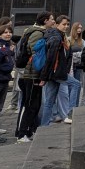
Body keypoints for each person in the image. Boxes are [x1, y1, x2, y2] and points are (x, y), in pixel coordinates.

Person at [15, 11, 53, 143]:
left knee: (35, 105)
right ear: (45, 21)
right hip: (31, 74)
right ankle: (21, 133)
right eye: (51, 19)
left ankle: (29, 131)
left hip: (34, 74)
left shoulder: (41, 32)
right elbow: (36, 52)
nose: (53, 22)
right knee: (30, 104)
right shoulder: (37, 33)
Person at [39, 15, 73, 126]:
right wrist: (44, 77)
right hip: (54, 73)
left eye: (68, 24)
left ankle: (46, 123)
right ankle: (46, 123)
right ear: (57, 24)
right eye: (64, 24)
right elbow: (51, 58)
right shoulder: (56, 37)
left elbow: (67, 56)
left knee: (50, 100)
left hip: (58, 72)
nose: (66, 26)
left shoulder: (62, 36)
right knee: (76, 85)